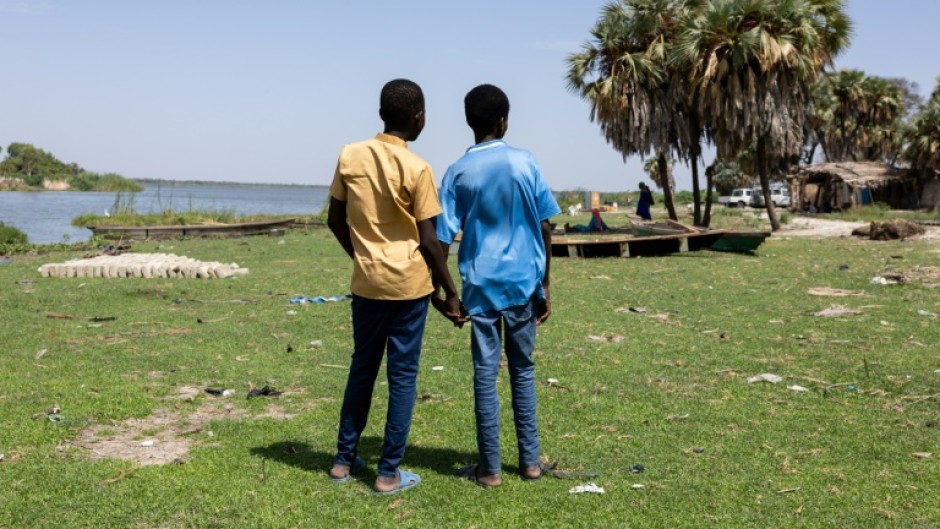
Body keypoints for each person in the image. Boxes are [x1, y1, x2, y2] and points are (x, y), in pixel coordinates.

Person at [326, 78, 463, 495]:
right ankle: (388, 473)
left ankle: (342, 461)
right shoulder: (418, 167)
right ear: (418, 116)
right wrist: (451, 293)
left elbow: (335, 219)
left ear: (383, 113)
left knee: (362, 367)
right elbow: (428, 241)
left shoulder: (350, 154)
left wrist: (364, 257)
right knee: (402, 376)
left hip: (367, 283)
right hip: (409, 286)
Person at [436, 84, 561, 487]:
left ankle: (489, 470)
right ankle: (529, 463)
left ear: (469, 122)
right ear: (504, 120)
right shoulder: (525, 162)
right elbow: (545, 226)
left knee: (484, 374)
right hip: (523, 284)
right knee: (523, 371)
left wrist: (447, 294)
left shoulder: (457, 171)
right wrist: (545, 286)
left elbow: (440, 239)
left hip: (480, 287)